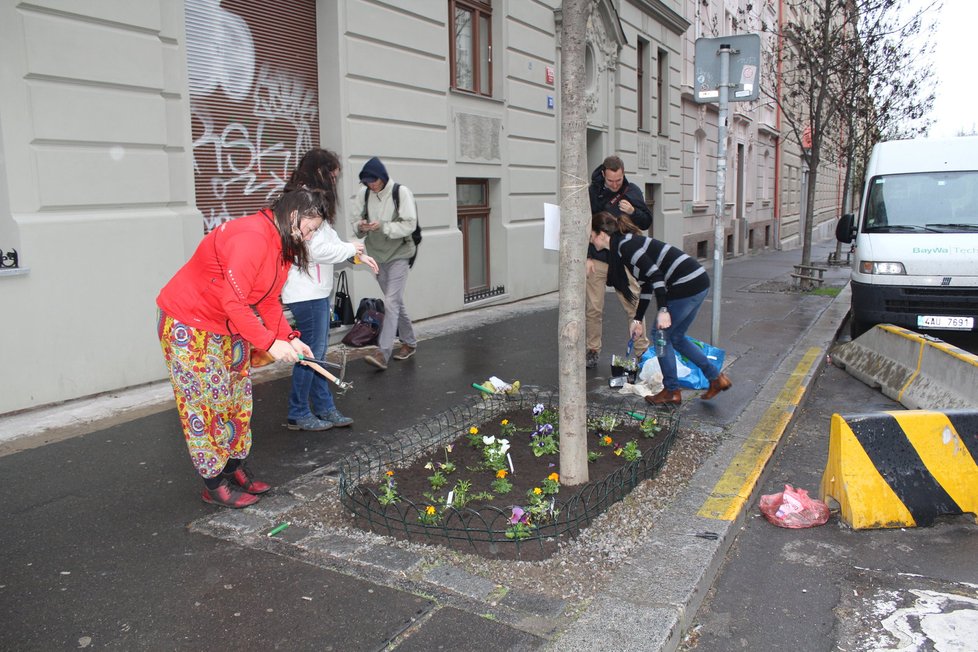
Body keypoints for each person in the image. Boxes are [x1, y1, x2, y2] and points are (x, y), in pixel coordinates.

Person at [156, 188, 325, 508]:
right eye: (311, 228)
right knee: (204, 407)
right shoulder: (252, 238)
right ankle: (213, 483)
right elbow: (234, 301)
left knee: (236, 401)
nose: (311, 236)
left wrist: (290, 339)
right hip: (189, 324)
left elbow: (267, 301)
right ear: (293, 218)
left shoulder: (284, 246)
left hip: (228, 326)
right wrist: (268, 343)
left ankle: (233, 469)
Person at [589, 211, 732, 406]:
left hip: (686, 284)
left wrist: (663, 310)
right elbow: (647, 285)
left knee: (661, 336)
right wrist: (637, 320)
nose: (592, 243)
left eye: (591, 237)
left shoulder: (626, 246)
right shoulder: (623, 248)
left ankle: (672, 390)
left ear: (601, 234)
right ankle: (716, 379)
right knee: (676, 338)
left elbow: (656, 276)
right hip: (696, 281)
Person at [281, 149, 379, 431]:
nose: (335, 182)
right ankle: (299, 412)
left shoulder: (307, 199)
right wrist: (351, 249)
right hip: (305, 292)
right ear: (321, 172)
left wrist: (353, 254)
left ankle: (323, 408)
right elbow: (313, 247)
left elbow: (329, 241)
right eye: (333, 175)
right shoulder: (303, 201)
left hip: (312, 290)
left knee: (316, 355)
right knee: (310, 356)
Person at [350, 156, 418, 371]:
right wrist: (361, 226)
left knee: (390, 303)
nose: (372, 185)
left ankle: (382, 353)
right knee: (395, 302)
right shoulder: (364, 194)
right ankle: (410, 343)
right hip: (378, 256)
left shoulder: (400, 192)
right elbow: (354, 222)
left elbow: (410, 225)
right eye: (368, 182)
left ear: (382, 177)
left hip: (399, 253)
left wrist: (384, 227)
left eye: (374, 181)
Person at [586, 155, 654, 368]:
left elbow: (646, 221)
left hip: (622, 260)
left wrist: (633, 211)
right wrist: (587, 255)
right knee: (593, 308)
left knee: (633, 305)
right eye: (610, 181)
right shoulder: (593, 192)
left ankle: (642, 351)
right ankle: (592, 349)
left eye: (618, 180)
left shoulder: (631, 191)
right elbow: (587, 225)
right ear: (604, 174)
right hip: (597, 257)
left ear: (623, 173)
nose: (614, 185)